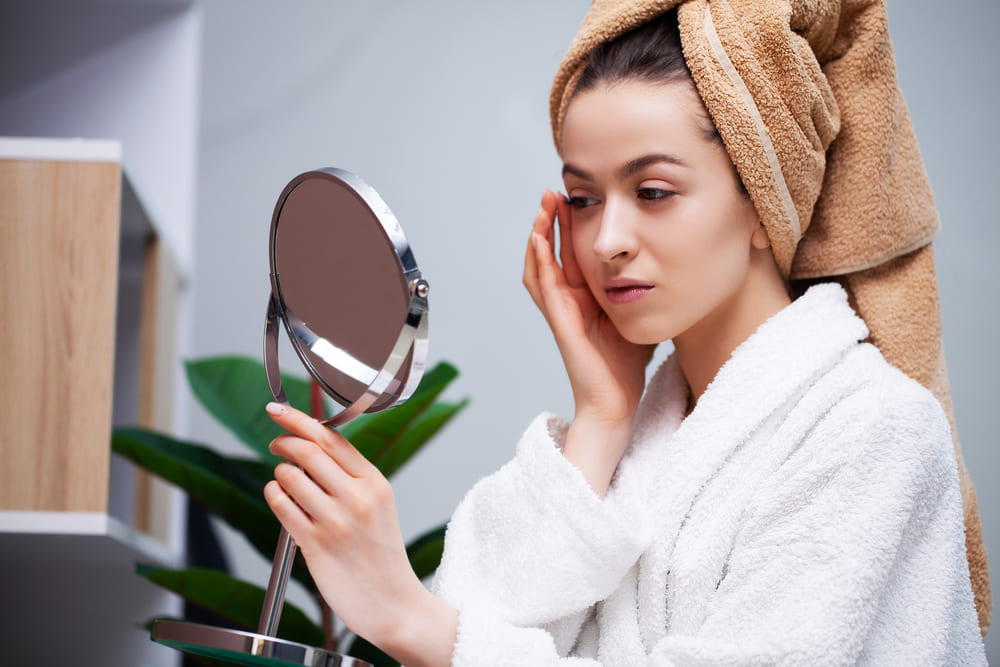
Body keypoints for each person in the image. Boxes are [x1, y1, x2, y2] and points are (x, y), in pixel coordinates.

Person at [262, 1, 989, 664]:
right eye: (581, 198)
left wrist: (411, 618)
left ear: (763, 204)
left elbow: (446, 634)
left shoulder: (875, 432)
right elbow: (475, 611)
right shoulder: (633, 443)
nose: (606, 238)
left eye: (653, 192)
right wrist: (603, 418)